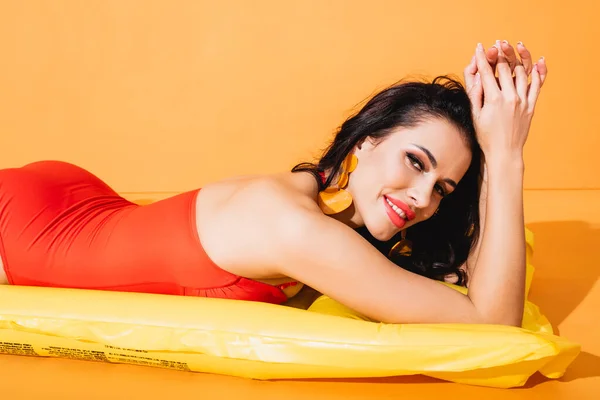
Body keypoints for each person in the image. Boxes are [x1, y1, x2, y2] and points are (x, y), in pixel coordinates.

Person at [0, 40, 547, 326]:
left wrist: (487, 135)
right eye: (417, 162)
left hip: (83, 201)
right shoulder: (301, 231)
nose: (422, 198)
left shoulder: (322, 200)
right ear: (367, 141)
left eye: (443, 190)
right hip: (24, 227)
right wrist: (506, 153)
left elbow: (478, 272)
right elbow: (494, 321)